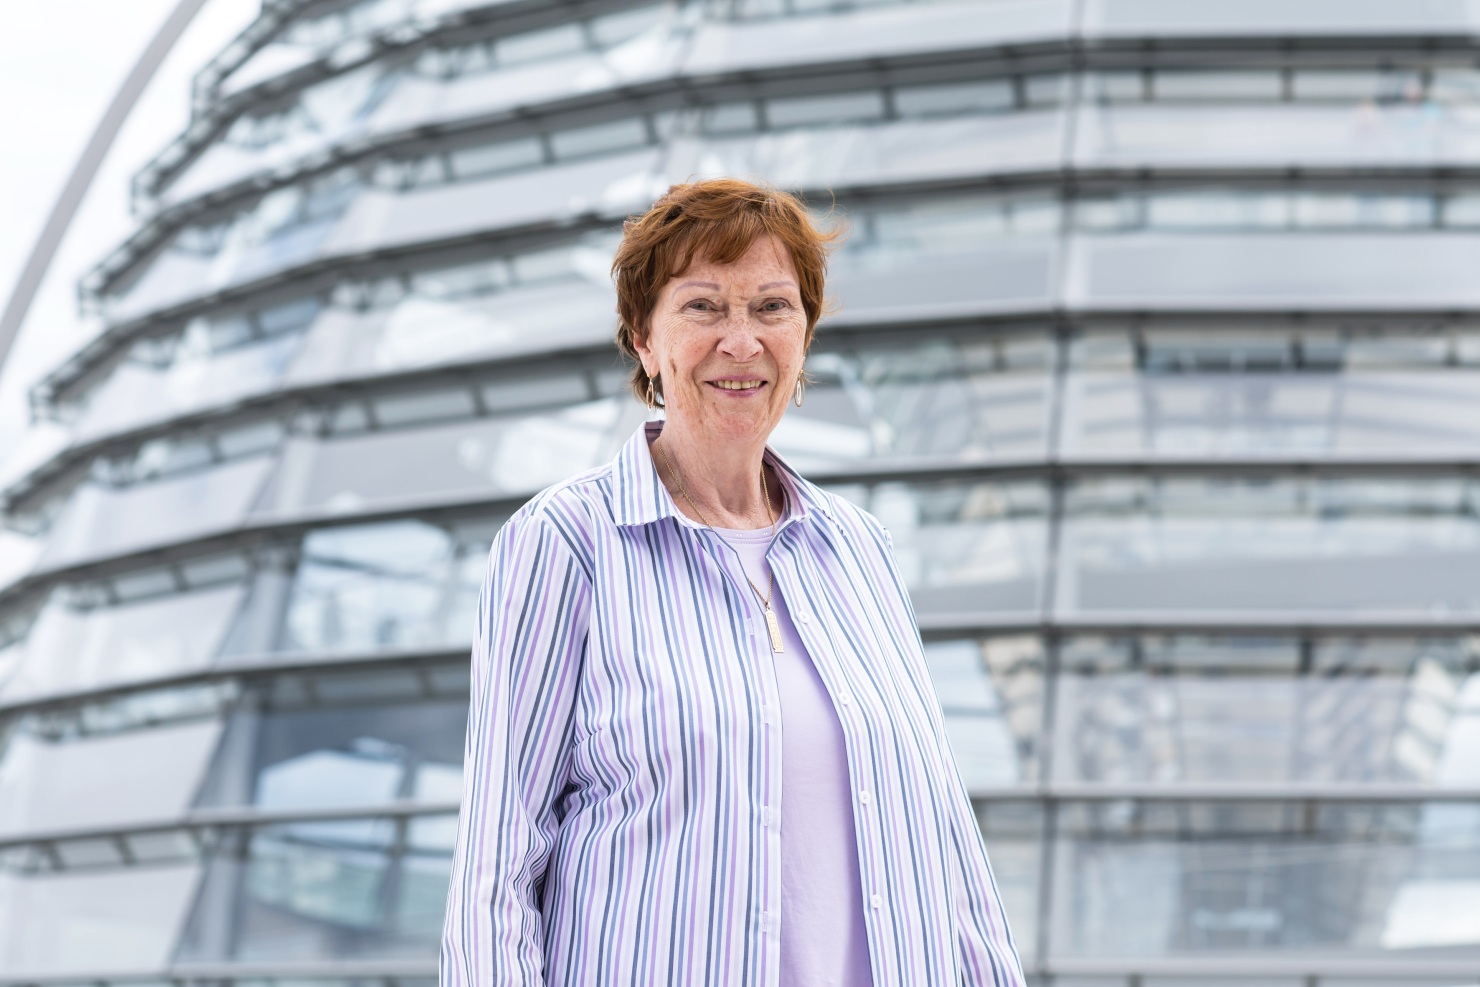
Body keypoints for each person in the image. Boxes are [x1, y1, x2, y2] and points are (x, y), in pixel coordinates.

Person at [440, 178, 1024, 986]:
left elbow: (946, 847)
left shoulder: (860, 552)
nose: (741, 341)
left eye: (772, 307)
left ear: (805, 336)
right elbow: (495, 869)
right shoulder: (567, 544)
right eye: (704, 307)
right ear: (644, 340)